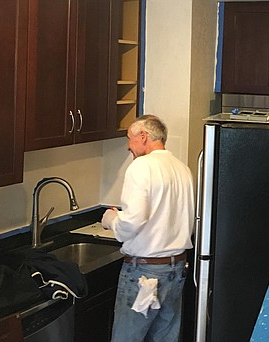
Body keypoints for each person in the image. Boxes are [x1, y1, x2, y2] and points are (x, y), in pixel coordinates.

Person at [101, 114, 194, 342]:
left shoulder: (141, 166)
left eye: (129, 139)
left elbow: (132, 221)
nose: (127, 147)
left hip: (144, 274)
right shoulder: (183, 169)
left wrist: (111, 219)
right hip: (176, 269)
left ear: (143, 137)